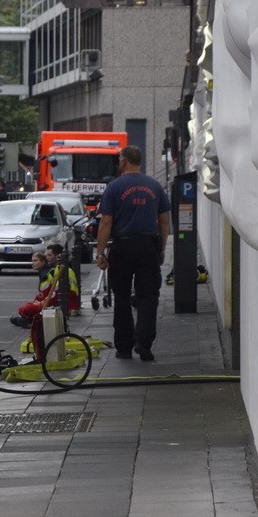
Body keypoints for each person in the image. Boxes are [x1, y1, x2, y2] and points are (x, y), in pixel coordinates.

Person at [94, 145, 170, 361]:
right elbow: (164, 221)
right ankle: (144, 342)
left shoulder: (114, 187)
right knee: (148, 295)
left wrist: (101, 253)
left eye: (120, 159)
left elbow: (106, 222)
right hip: (148, 245)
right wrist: (161, 248)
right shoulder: (155, 186)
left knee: (122, 296)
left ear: (124, 161)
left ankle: (124, 347)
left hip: (123, 246)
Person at [10, 252, 56, 328]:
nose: (32, 263)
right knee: (22, 309)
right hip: (45, 302)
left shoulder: (48, 274)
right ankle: (29, 320)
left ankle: (31, 322)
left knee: (26, 309)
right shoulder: (43, 273)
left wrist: (40, 303)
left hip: (50, 304)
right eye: (32, 261)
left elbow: (52, 293)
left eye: (35, 261)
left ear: (43, 262)